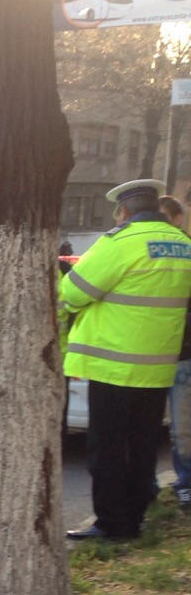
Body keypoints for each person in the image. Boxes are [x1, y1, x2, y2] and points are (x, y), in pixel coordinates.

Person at [61, 179, 191, 541]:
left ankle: (111, 524)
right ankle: (134, 519)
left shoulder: (120, 243)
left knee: (108, 450)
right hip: (159, 367)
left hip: (114, 367)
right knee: (144, 447)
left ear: (123, 211)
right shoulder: (183, 245)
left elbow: (73, 291)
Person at [161, 194, 191, 510]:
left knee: (183, 429)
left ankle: (186, 484)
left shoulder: (185, 252)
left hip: (182, 353)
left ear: (178, 219)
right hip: (153, 353)